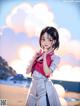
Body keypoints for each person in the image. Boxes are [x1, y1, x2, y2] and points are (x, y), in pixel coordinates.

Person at [26, 26, 61, 106]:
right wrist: (34, 58)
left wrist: (45, 56)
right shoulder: (38, 55)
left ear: (54, 41)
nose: (45, 42)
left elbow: (47, 72)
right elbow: (27, 71)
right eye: (43, 39)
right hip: (33, 88)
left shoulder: (56, 58)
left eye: (49, 39)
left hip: (44, 89)